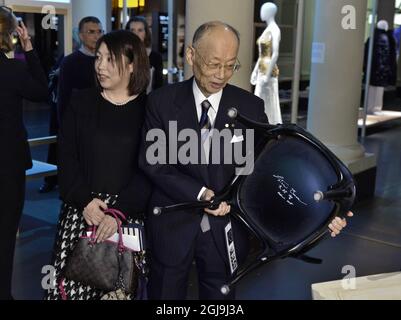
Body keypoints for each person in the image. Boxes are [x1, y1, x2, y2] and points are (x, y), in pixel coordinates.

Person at [140, 21, 352, 300]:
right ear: (191, 55)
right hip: (172, 225)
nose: (221, 74)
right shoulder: (161, 101)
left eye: (230, 65)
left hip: (226, 231)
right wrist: (202, 194)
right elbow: (153, 163)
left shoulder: (249, 107)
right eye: (214, 64)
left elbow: (271, 169)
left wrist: (323, 214)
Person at [45, 30, 151, 300]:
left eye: (109, 59)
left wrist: (118, 213)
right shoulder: (81, 101)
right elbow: (66, 158)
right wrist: (86, 202)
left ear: (131, 64)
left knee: (119, 293)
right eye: (98, 57)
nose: (100, 66)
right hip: (82, 212)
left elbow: (151, 170)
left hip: (126, 218)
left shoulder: (151, 110)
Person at [0, 6, 48, 300]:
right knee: (5, 234)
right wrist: (30, 50)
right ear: (10, 34)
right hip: (8, 164)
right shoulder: (14, 70)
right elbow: (43, 91)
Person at [39, 16, 104, 193]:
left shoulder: (107, 61)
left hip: (103, 129)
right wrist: (67, 132)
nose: (96, 36)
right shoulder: (70, 62)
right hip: (78, 130)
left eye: (99, 31)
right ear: (81, 35)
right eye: (91, 32)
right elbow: (64, 100)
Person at [251, 2, 282, 124]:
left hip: (268, 71)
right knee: (259, 98)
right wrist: (255, 71)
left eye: (263, 10)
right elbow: (261, 54)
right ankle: (260, 125)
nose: (261, 13)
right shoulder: (267, 30)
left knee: (268, 100)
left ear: (269, 13)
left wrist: (268, 74)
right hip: (261, 68)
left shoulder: (275, 30)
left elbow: (275, 54)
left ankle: (270, 126)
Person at [364, 20, 397, 115]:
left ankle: (369, 108)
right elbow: (386, 56)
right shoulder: (386, 38)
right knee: (378, 91)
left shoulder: (371, 38)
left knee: (370, 89)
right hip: (381, 69)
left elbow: (367, 54)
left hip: (371, 69)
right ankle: (376, 109)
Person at [126, 16, 164, 93]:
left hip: (148, 102)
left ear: (146, 33)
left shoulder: (155, 57)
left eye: (140, 30)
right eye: (132, 30)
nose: (136, 34)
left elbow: (159, 86)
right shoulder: (121, 55)